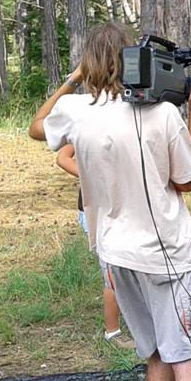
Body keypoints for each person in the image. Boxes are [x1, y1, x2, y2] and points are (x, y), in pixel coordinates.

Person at [29, 22, 191, 381]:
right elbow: (186, 181)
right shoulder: (163, 114)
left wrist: (73, 80)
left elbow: (37, 127)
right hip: (165, 256)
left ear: (89, 64)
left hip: (116, 254)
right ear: (133, 60)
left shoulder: (77, 112)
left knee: (157, 351)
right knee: (186, 359)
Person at [55, 143, 135, 351]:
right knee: (114, 272)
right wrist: (92, 177)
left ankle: (136, 319)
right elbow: (63, 158)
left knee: (129, 267)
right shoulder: (87, 127)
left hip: (124, 208)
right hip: (98, 212)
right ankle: (113, 332)